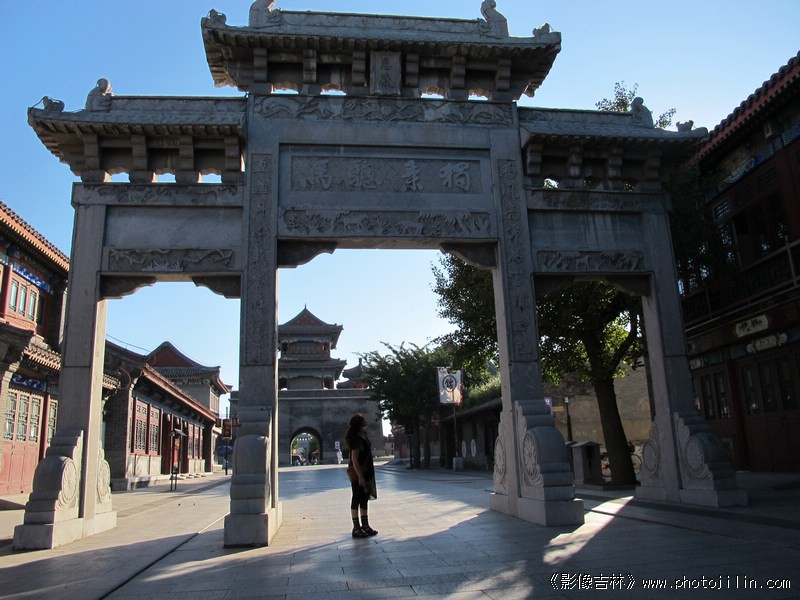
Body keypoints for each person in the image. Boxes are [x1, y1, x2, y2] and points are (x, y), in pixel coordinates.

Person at [345, 413, 378, 538]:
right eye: (363, 420)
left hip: (367, 471)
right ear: (359, 424)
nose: (366, 421)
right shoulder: (356, 439)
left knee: (364, 498)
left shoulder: (364, 435)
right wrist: (360, 477)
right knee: (356, 498)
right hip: (358, 473)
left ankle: (365, 526)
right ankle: (356, 528)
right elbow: (354, 459)